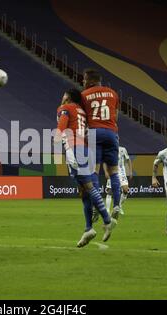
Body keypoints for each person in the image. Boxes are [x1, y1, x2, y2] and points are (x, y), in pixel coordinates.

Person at [55, 88, 117, 248]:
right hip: (86, 149)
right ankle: (88, 228)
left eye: (63, 94)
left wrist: (63, 145)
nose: (61, 97)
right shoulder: (82, 111)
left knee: (88, 188)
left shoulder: (65, 109)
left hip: (75, 149)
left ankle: (107, 220)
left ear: (68, 97)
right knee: (84, 192)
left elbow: (61, 129)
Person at [81, 69, 121, 219]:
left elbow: (82, 117)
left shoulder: (84, 95)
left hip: (94, 132)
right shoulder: (113, 93)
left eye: (84, 80)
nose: (83, 82)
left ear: (91, 81)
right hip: (111, 132)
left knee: (94, 171)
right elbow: (115, 116)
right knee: (114, 172)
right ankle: (117, 205)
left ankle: (97, 206)